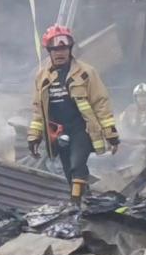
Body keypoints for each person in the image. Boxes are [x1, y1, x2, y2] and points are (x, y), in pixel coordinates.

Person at [27, 25, 120, 205]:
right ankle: (86, 202)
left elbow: (101, 103)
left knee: (78, 165)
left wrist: (111, 134)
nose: (59, 53)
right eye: (55, 49)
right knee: (69, 170)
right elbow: (38, 109)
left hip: (81, 129)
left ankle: (75, 205)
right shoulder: (42, 77)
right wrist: (34, 136)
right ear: (49, 51)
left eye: (63, 48)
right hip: (59, 132)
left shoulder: (86, 73)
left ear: (70, 49)